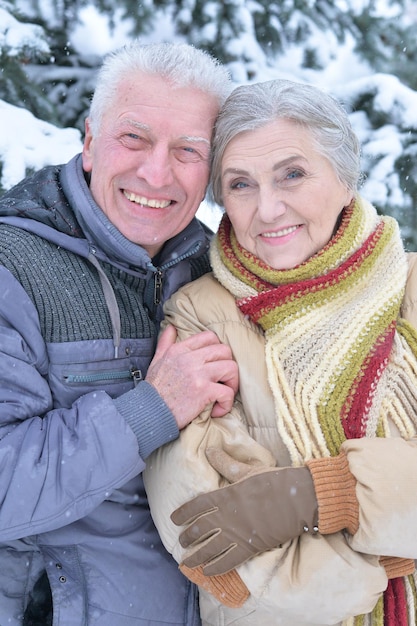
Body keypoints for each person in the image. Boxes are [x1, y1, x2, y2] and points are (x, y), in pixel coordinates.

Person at [143, 78, 417, 626]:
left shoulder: (410, 287)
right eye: (240, 184)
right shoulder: (199, 316)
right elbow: (223, 563)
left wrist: (324, 494)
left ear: (345, 177)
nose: (268, 208)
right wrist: (396, 554)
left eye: (293, 174)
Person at [0, 40, 238, 626]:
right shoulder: (14, 267)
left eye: (188, 150)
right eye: (134, 138)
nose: (156, 173)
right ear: (88, 142)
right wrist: (153, 408)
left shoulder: (218, 273)